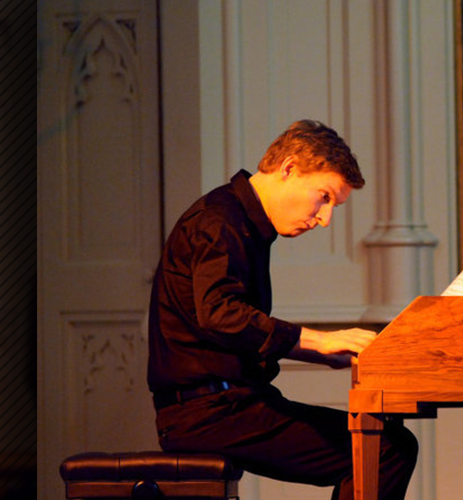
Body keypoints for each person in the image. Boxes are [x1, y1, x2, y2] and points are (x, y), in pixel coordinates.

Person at [147, 120, 418, 499]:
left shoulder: (239, 221)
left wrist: (323, 353)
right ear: (289, 168)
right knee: (387, 449)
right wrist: (317, 340)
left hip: (227, 405)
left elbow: (233, 328)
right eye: (324, 197)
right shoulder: (217, 221)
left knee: (387, 445)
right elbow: (220, 314)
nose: (324, 219)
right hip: (208, 414)